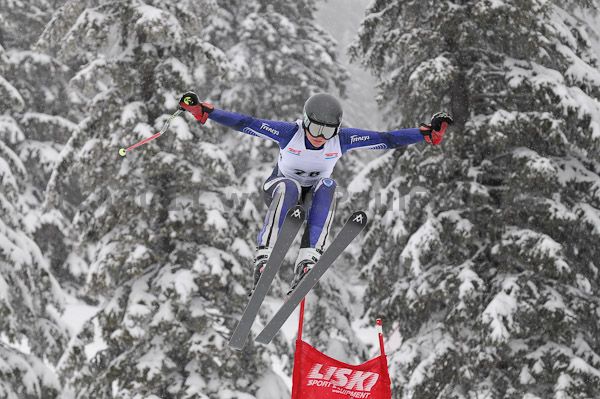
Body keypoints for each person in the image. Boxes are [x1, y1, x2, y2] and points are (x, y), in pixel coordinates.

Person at [178, 92, 453, 295]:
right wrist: (205, 111)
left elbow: (385, 138)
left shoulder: (342, 139)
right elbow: (247, 123)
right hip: (279, 193)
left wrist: (424, 133)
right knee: (290, 185)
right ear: (305, 121)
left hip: (313, 201)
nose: (320, 136)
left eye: (328, 129)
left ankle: (308, 258)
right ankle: (264, 257)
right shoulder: (289, 133)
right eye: (316, 127)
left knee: (330, 186)